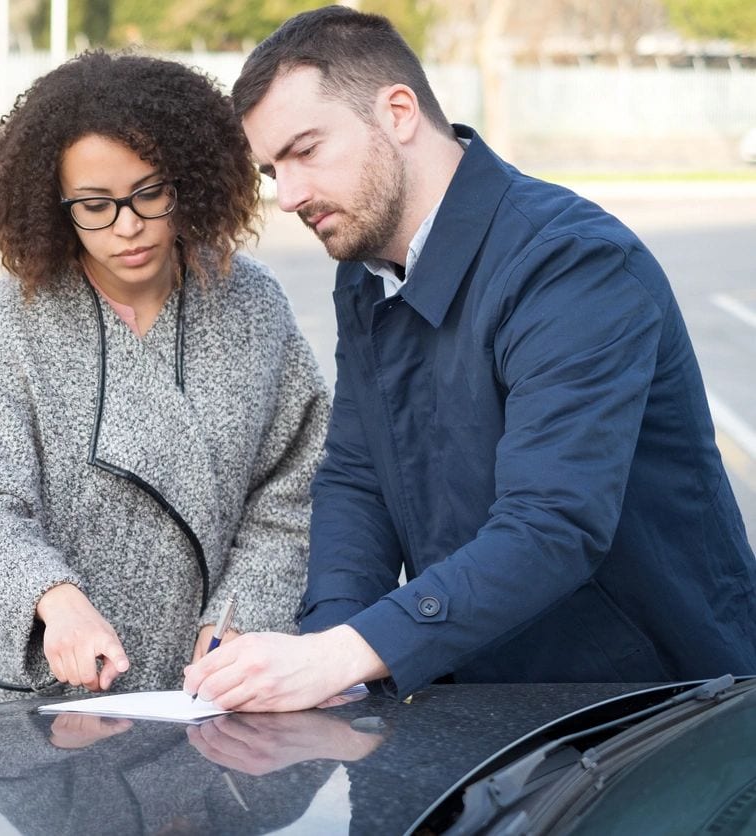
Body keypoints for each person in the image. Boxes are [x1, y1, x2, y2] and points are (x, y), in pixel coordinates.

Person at [185, 6, 756, 711]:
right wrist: (327, 651)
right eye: (273, 168)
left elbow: (552, 524)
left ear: (398, 112)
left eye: (305, 150)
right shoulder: (365, 270)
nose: (289, 194)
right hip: (481, 701)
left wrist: (342, 655)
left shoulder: (572, 264)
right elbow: (360, 477)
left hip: (655, 711)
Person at [0, 51, 329, 709]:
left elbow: (294, 490)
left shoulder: (251, 302)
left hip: (205, 691)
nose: (128, 227)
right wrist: (54, 600)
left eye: (148, 193)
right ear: (54, 207)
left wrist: (239, 616)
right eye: (95, 206)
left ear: (188, 180)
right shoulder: (15, 317)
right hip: (43, 697)